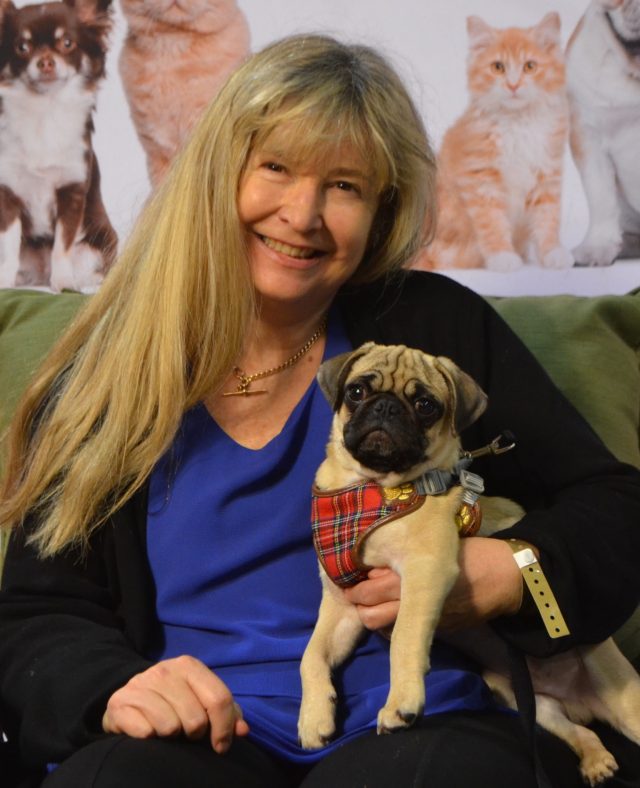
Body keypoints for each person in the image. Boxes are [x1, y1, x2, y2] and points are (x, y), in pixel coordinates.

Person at [0, 33, 639, 788]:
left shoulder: (434, 331)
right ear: (218, 173)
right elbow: (38, 612)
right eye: (275, 167)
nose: (302, 215)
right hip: (198, 730)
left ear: (382, 209)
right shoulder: (111, 371)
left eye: (345, 186)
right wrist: (113, 687)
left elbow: (613, 505)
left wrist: (514, 569)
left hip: (429, 721)